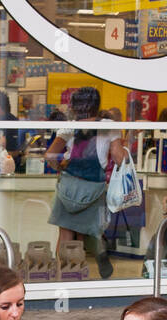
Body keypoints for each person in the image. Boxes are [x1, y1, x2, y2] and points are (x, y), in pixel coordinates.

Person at [45, 87, 126, 279]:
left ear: (75, 106)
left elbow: (49, 155)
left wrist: (60, 166)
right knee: (89, 230)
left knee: (65, 233)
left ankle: (65, 273)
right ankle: (96, 254)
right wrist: (125, 159)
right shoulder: (109, 125)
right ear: (97, 104)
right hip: (94, 187)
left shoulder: (69, 126)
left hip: (69, 185)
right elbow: (117, 156)